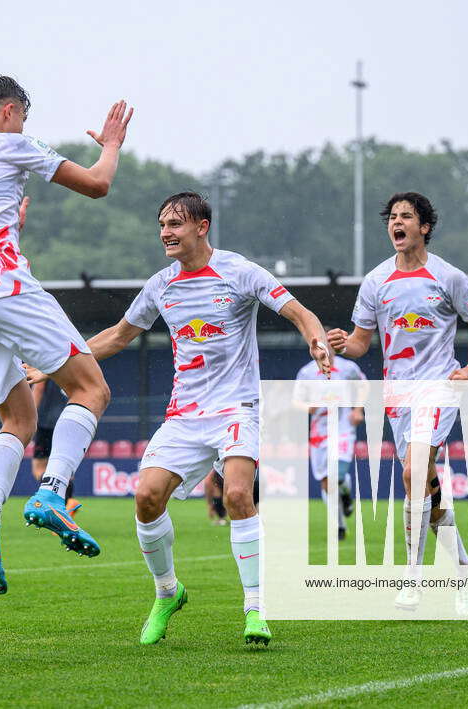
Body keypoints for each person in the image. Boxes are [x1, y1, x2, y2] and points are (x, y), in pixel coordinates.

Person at [28, 192, 333, 646]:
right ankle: (167, 592)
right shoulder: (161, 284)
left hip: (236, 407)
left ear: (202, 227)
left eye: (175, 224)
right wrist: (57, 361)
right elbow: (118, 335)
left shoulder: (240, 271)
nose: (166, 232)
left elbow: (299, 312)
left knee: (236, 494)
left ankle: (255, 608)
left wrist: (317, 340)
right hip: (185, 414)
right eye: (162, 225)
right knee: (146, 498)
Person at [0, 74, 133, 595]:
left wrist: (13, 225)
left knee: (17, 419)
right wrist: (110, 146)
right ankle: (52, 492)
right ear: (11, 111)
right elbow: (97, 184)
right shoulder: (11, 142)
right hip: (4, 287)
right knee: (91, 390)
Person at [326, 192, 468, 615]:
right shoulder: (376, 282)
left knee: (415, 472)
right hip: (397, 394)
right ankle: (465, 571)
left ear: (425, 227)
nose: (396, 223)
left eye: (406, 217)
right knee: (424, 486)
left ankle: (412, 580)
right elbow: (362, 344)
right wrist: (344, 344)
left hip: (438, 387)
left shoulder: (449, 277)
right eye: (392, 217)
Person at [294, 355, 366, 541]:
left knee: (337, 476)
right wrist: (307, 407)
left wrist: (358, 410)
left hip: (343, 429)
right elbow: (296, 400)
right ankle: (340, 525)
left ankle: (345, 490)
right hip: (319, 434)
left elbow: (362, 386)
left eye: (329, 346)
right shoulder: (306, 372)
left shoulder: (348, 367)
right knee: (326, 483)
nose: (325, 351)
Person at [30, 379, 79, 514]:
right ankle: (68, 502)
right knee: (65, 467)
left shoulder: (45, 361)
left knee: (39, 468)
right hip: (70, 418)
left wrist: (30, 418)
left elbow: (38, 388)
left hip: (47, 423)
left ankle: (62, 505)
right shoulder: (76, 360)